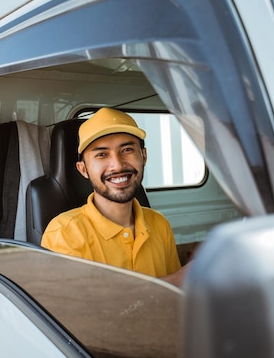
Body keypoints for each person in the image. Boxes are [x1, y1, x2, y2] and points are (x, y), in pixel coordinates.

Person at [41, 108, 190, 287]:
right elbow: (81, 312)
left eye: (127, 150)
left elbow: (171, 302)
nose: (118, 165)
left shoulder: (159, 224)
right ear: (83, 169)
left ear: (143, 156)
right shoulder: (64, 233)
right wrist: (174, 280)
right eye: (101, 154)